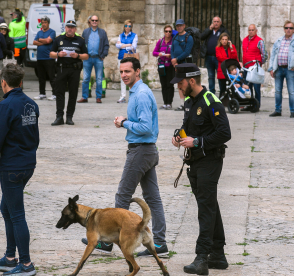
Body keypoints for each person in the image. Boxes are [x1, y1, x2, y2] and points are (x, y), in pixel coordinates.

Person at [83, 57, 168, 256]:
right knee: (153, 199)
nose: (123, 75)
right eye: (121, 72)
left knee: (122, 196)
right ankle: (160, 244)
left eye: (128, 71)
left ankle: (107, 242)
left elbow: (146, 128)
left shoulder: (141, 94)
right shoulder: (137, 92)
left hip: (141, 151)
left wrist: (125, 123)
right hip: (146, 150)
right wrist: (128, 121)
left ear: (137, 72)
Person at [170, 63, 231, 275]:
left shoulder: (211, 101)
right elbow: (189, 127)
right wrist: (179, 136)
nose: (178, 86)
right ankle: (218, 255)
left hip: (210, 161)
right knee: (210, 205)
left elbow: (224, 133)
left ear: (192, 81)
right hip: (194, 162)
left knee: (205, 209)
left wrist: (197, 142)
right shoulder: (189, 101)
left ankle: (202, 257)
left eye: (180, 82)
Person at [0, 63, 39, 276]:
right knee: (7, 210)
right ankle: (9, 257)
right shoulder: (32, 105)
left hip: (12, 169)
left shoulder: (4, 106)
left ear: (3, 82)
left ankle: (25, 264)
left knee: (16, 214)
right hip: (27, 165)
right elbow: (36, 138)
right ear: (21, 82)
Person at [49, 20, 88, 126]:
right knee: (59, 93)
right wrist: (58, 54)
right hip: (61, 69)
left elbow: (86, 55)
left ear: (75, 29)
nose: (70, 29)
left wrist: (78, 56)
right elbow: (51, 54)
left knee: (73, 94)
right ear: (65, 28)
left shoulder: (80, 40)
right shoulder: (58, 39)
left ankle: (69, 117)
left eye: (72, 27)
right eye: (68, 27)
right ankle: (59, 117)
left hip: (74, 70)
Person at [268, 20, 294, 118]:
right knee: (277, 91)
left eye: (291, 28)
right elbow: (273, 55)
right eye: (286, 28)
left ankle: (293, 111)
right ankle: (277, 110)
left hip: (290, 69)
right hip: (278, 68)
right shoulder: (279, 40)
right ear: (284, 29)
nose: (288, 30)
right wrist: (271, 68)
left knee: (291, 91)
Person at [78, 14, 109, 103]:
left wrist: (103, 55)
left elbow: (106, 45)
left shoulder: (102, 32)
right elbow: (82, 44)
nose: (94, 22)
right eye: (93, 20)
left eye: (96, 20)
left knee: (99, 79)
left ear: (98, 22)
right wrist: (83, 54)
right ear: (90, 22)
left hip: (98, 58)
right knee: (85, 79)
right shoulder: (86, 32)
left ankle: (98, 97)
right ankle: (84, 97)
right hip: (87, 59)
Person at [242, 24, 268, 108]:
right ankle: (249, 104)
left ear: (256, 31)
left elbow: (265, 54)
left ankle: (256, 105)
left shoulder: (260, 41)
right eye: (249, 30)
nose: (251, 31)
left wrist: (259, 64)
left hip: (255, 68)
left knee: (256, 88)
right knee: (247, 87)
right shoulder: (244, 40)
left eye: (253, 30)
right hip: (246, 68)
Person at [201, 16, 229, 95]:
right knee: (211, 76)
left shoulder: (223, 31)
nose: (216, 23)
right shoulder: (209, 30)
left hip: (219, 58)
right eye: (214, 21)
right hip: (209, 57)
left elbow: (227, 40)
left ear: (220, 23)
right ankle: (212, 93)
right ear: (212, 23)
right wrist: (209, 29)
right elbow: (202, 37)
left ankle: (222, 94)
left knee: (221, 76)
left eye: (217, 21)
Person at [171, 19, 194, 111]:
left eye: (180, 25)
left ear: (184, 26)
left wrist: (176, 59)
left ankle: (188, 102)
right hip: (177, 64)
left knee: (186, 83)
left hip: (185, 63)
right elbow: (172, 49)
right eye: (177, 26)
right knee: (179, 83)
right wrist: (173, 60)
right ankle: (182, 103)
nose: (179, 27)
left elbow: (187, 51)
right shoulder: (175, 37)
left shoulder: (189, 37)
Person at [33, 16, 56, 101]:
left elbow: (48, 41)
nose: (43, 24)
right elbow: (34, 42)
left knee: (51, 77)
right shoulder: (39, 32)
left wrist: (40, 40)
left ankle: (55, 94)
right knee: (41, 77)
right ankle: (42, 94)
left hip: (49, 58)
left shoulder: (52, 32)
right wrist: (43, 41)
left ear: (48, 23)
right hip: (40, 58)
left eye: (45, 22)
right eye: (42, 23)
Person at [116, 19, 138, 103]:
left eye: (129, 26)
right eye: (126, 26)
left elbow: (133, 47)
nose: (127, 27)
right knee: (122, 77)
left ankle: (132, 96)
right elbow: (117, 45)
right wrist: (128, 45)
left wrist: (123, 46)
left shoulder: (134, 35)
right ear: (124, 26)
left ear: (131, 27)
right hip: (121, 58)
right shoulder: (121, 35)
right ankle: (123, 96)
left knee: (131, 77)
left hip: (130, 58)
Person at [0, 23, 15, 103]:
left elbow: (12, 52)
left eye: (4, 29)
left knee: (7, 79)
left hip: (6, 62)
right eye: (1, 29)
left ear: (7, 30)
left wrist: (3, 50)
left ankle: (8, 95)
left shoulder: (10, 40)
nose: (3, 30)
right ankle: (0, 96)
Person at [153, 25, 174, 110]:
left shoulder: (173, 42)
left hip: (170, 65)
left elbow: (176, 53)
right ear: (164, 32)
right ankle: (165, 102)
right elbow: (154, 52)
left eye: (169, 31)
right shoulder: (160, 41)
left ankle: (169, 103)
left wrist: (171, 55)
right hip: (162, 66)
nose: (168, 33)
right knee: (163, 84)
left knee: (170, 84)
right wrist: (159, 54)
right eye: (166, 31)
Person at [215, 33, 239, 98]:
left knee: (233, 87)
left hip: (231, 70)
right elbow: (220, 58)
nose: (224, 41)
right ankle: (222, 102)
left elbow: (234, 57)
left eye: (226, 39)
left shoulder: (232, 47)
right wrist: (230, 60)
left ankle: (233, 100)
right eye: (223, 39)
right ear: (220, 40)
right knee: (222, 88)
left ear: (228, 40)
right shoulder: (218, 48)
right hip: (222, 70)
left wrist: (231, 47)